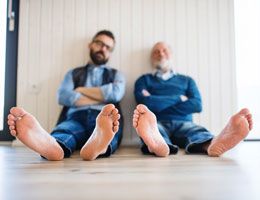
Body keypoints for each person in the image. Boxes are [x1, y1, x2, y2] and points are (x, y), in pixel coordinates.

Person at [7, 30, 125, 161]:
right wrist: (102, 96)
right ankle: (54, 146)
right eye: (99, 43)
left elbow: (115, 95)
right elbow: (63, 96)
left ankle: (100, 146)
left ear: (110, 52)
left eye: (108, 47)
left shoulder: (117, 74)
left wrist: (80, 90)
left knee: (107, 132)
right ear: (90, 45)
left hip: (104, 117)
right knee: (66, 130)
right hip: (75, 116)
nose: (103, 49)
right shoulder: (73, 73)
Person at [133, 42, 253, 157]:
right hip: (156, 122)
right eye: (156, 52)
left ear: (171, 54)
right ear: (151, 57)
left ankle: (211, 145)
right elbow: (145, 103)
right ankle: (158, 145)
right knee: (155, 132)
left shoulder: (187, 80)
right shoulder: (143, 80)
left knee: (196, 132)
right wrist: (179, 98)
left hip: (184, 123)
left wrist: (156, 101)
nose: (161, 54)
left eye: (165, 50)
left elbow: (196, 105)